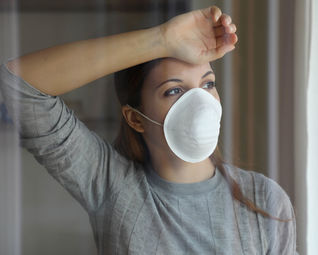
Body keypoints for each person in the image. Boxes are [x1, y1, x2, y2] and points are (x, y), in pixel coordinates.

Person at [0, 6, 298, 254]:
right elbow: (20, 85)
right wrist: (162, 39)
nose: (200, 102)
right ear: (135, 119)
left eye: (208, 84)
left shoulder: (264, 200)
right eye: (173, 91)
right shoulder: (114, 188)